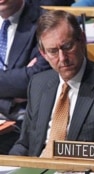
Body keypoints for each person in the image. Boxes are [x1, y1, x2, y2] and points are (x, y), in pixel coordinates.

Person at [9, 10, 94, 157]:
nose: (62, 58)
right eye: (53, 51)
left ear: (82, 40)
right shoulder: (38, 83)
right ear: (43, 53)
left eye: (67, 47)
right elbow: (25, 143)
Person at [0, 0, 50, 154]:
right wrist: (12, 97)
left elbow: (39, 79)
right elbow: (26, 82)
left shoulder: (47, 23)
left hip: (21, 126)